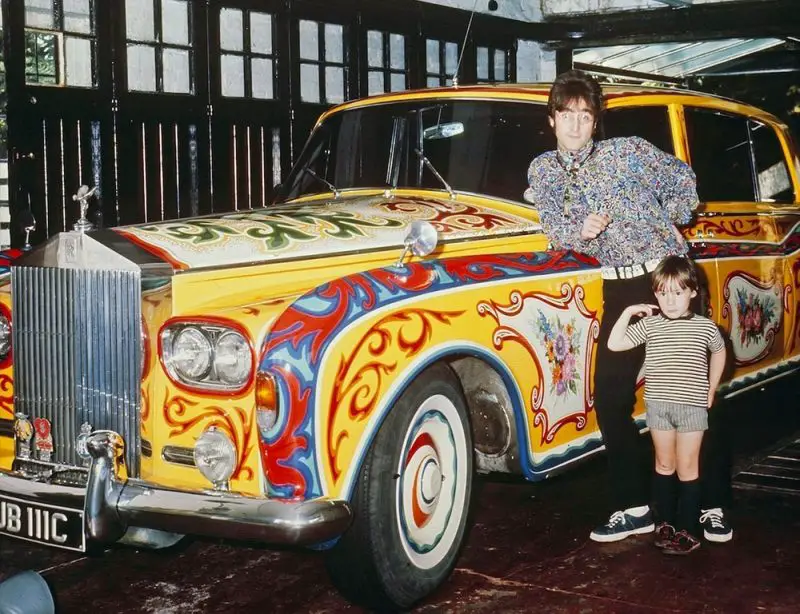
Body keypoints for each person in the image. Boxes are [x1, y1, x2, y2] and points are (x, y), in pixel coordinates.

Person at [524, 69, 733, 543]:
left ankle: (713, 505)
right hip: (617, 287)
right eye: (567, 115)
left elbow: (683, 180)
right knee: (610, 397)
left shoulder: (629, 151)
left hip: (664, 278)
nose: (576, 125)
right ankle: (635, 504)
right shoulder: (542, 170)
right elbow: (554, 226)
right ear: (552, 118)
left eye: (585, 115)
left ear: (596, 120)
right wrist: (582, 230)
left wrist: (671, 222)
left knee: (692, 392)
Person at [606, 256, 726, 554]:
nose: (670, 301)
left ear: (693, 292)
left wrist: (711, 387)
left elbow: (720, 352)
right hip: (658, 407)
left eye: (677, 292)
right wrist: (629, 312)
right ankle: (666, 524)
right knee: (664, 464)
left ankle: (688, 528)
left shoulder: (704, 327)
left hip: (691, 408)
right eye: (662, 293)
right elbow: (615, 343)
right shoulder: (650, 325)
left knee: (687, 467)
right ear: (655, 294)